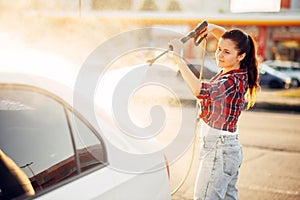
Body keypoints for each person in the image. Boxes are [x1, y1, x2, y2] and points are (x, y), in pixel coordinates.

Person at [169, 23, 259, 200]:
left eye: (226, 52)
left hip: (219, 150)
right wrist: (210, 27)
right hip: (227, 149)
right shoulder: (241, 71)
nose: (219, 55)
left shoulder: (230, 81)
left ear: (241, 56)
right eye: (218, 49)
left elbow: (199, 90)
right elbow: (229, 40)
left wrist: (178, 58)